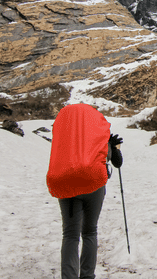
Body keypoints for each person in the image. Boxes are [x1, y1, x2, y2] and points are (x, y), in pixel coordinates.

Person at [48, 103, 123, 279]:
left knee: (70, 235)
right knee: (89, 231)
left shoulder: (65, 137)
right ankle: (87, 276)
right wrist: (114, 147)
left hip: (66, 184)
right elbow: (117, 163)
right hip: (94, 186)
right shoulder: (99, 138)